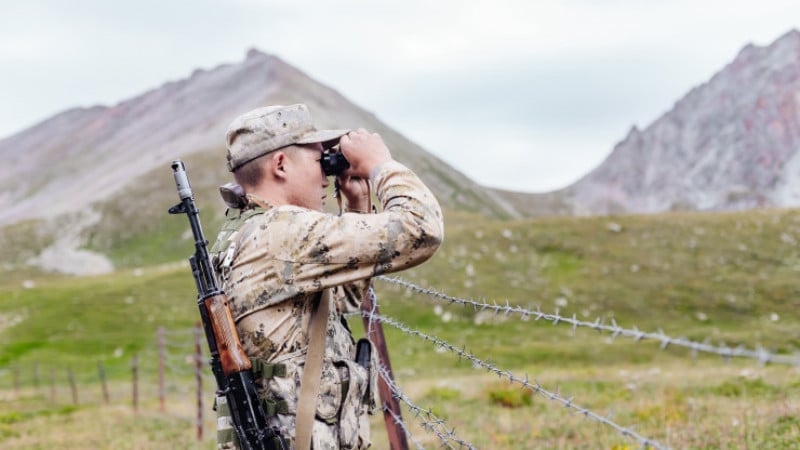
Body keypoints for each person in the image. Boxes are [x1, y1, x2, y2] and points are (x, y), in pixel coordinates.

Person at [209, 103, 443, 449]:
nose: (325, 176)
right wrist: (380, 164)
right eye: (319, 162)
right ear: (281, 164)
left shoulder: (243, 232)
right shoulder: (283, 231)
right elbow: (421, 229)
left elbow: (337, 302)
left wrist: (357, 204)